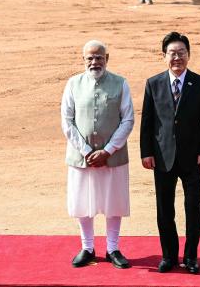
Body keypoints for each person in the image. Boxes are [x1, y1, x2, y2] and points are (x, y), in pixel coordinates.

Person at [140, 32, 200, 274]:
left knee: (193, 207)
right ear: (164, 56)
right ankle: (169, 256)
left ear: (189, 55)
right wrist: (146, 152)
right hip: (162, 158)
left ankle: (191, 256)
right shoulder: (153, 84)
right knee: (164, 209)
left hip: (193, 158)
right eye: (172, 53)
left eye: (181, 53)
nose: (177, 58)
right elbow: (148, 122)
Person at [61, 40, 134, 269]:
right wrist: (86, 151)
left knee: (114, 202)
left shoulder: (121, 84)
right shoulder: (73, 84)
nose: (95, 62)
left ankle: (112, 248)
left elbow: (128, 119)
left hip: (112, 156)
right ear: (83, 60)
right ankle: (87, 247)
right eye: (90, 58)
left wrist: (107, 150)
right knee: (83, 201)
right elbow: (67, 121)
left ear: (107, 58)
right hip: (82, 157)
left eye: (99, 57)